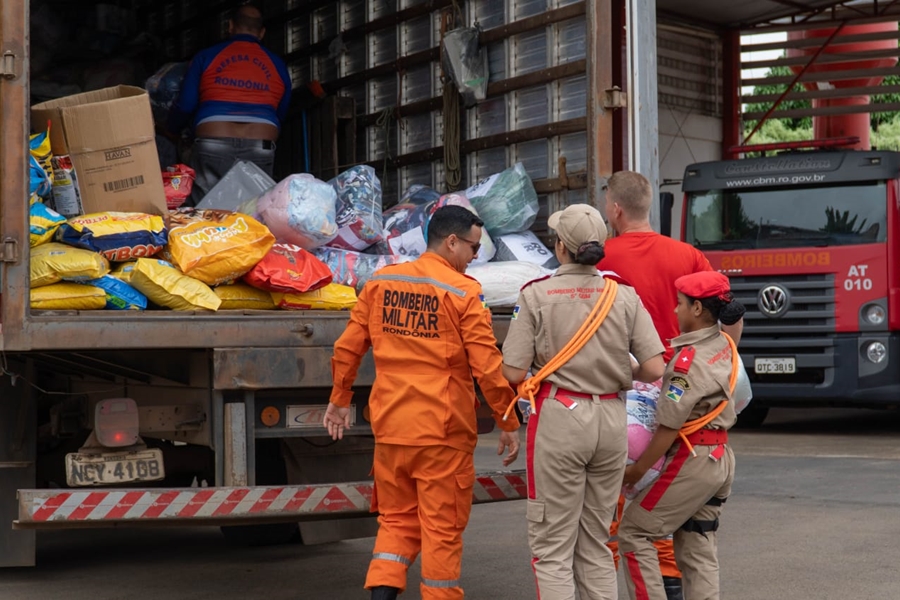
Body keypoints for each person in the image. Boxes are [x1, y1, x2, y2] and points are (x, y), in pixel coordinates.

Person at [323, 205, 521, 600]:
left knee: (396, 522)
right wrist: (508, 420)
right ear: (451, 242)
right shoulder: (462, 292)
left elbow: (348, 347)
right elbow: (487, 365)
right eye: (473, 248)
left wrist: (340, 399)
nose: (475, 257)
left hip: (392, 428)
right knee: (441, 531)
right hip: (441, 433)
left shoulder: (381, 282)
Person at [500, 204, 665, 600]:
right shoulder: (622, 294)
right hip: (611, 418)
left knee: (552, 548)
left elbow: (512, 373)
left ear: (560, 248)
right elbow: (655, 367)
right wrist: (620, 371)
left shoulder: (536, 294)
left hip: (559, 418)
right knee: (595, 543)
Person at [599, 171, 743, 600]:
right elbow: (728, 316)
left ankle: (605, 587)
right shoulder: (689, 256)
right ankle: (672, 586)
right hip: (700, 419)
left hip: (632, 402)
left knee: (624, 519)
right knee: (688, 532)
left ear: (615, 209)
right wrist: (720, 366)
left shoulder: (600, 258)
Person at [618, 271, 745, 600]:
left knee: (633, 532)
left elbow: (668, 428)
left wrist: (636, 471)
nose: (675, 311)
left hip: (693, 461)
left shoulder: (686, 365)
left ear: (699, 309)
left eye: (681, 304)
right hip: (720, 459)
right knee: (696, 546)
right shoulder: (724, 343)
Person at [168, 2, 292, 204]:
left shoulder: (206, 56)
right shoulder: (277, 64)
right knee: (254, 212)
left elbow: (186, 105)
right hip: (260, 145)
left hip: (213, 143)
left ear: (230, 26)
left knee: (209, 211)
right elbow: (281, 113)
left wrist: (172, 130)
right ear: (261, 33)